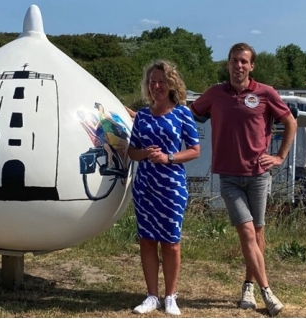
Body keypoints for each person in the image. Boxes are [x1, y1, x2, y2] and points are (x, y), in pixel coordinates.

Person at [189, 42, 297, 316]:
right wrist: (147, 113)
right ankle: (267, 291)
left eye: (244, 62)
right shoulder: (215, 94)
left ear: (252, 66)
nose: (238, 66)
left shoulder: (265, 93)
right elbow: (189, 114)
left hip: (259, 175)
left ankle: (248, 285)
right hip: (229, 176)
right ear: (228, 64)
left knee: (258, 232)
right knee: (247, 231)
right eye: (234, 61)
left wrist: (280, 157)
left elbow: (291, 123)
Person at [128, 60, 200, 316]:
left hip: (171, 186)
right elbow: (131, 152)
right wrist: (145, 153)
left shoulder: (182, 113)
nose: (156, 86)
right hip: (145, 185)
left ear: (171, 84)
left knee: (171, 243)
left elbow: (195, 150)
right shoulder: (143, 115)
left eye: (161, 81)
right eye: (152, 82)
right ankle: (151, 295)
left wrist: (168, 158)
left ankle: (170, 295)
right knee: (147, 242)